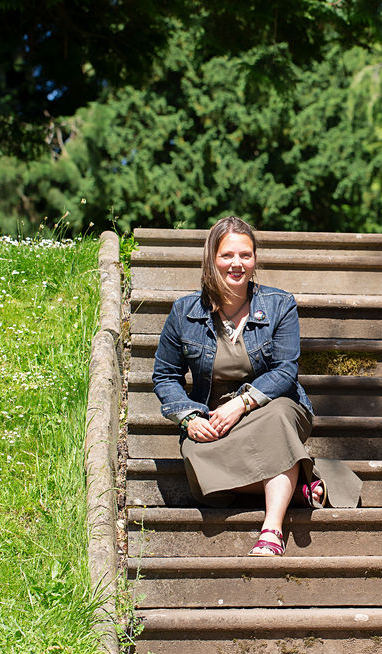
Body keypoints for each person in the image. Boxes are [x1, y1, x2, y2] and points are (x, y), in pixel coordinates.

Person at [152, 216, 361, 556]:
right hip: (215, 416)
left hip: (272, 406)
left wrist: (241, 404)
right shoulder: (183, 312)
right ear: (211, 258)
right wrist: (189, 418)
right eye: (227, 255)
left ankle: (272, 530)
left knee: (277, 423)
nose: (237, 264)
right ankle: (300, 486)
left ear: (255, 259)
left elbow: (284, 371)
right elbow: (165, 375)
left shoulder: (279, 305)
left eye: (245, 255)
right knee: (196, 463)